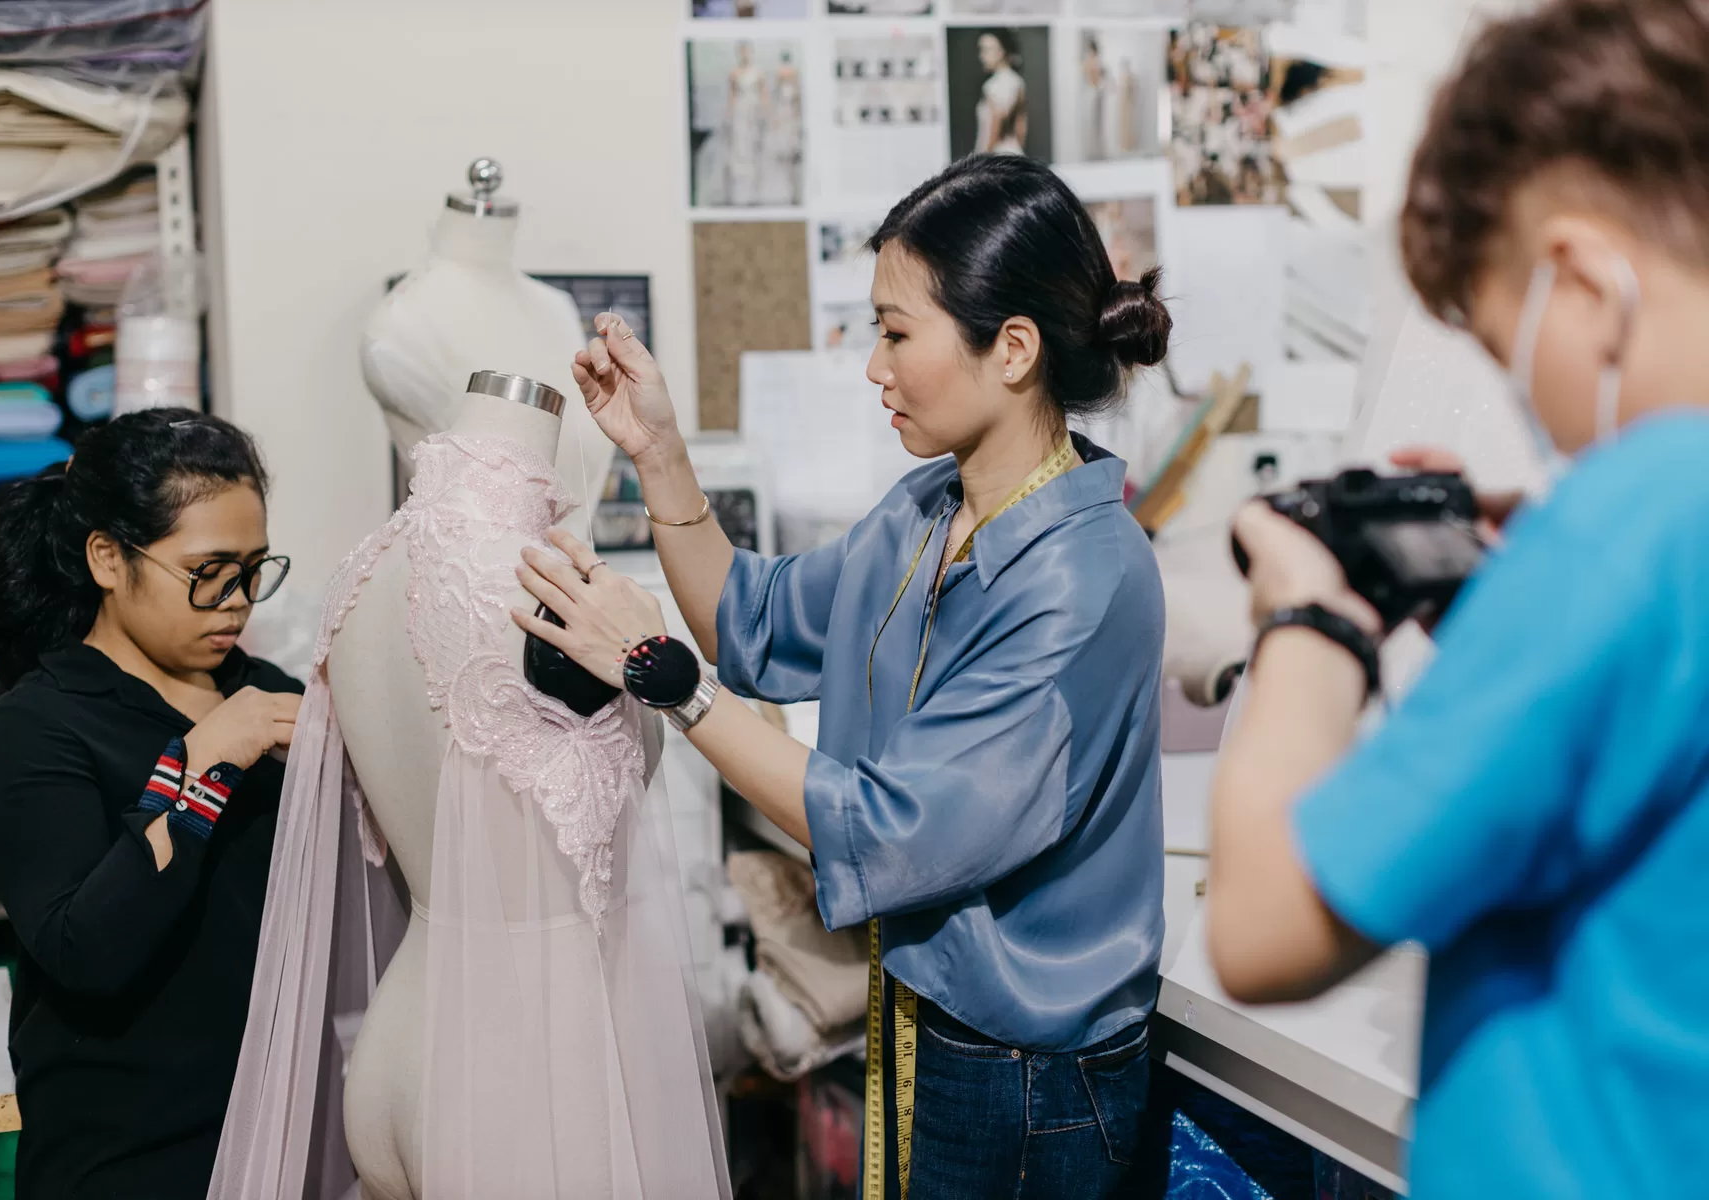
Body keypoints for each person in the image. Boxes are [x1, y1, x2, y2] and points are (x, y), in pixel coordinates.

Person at [515, 153, 1171, 1199]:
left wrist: (661, 678)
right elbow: (752, 619)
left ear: (1012, 349)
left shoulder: (1085, 580)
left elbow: (889, 828)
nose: (874, 366)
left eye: (897, 333)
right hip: (928, 1018)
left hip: (1027, 1078)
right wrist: (661, 454)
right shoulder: (925, 515)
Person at [1208, 2, 1709, 1196]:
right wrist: (1513, 606)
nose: (1517, 393)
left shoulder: (1632, 519)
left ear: (1581, 282)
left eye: (1503, 343)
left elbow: (1261, 929)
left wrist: (1311, 616)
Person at [0, 409, 302, 1198]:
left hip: (276, 1135)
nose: (238, 600)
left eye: (255, 568)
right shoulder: (36, 728)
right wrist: (206, 761)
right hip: (125, 1160)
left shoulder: (268, 695)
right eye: (209, 570)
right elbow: (89, 953)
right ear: (109, 559)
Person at [974, 30, 1028, 156]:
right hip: (1015, 154)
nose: (981, 56)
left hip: (996, 158)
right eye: (981, 50)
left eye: (987, 50)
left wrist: (983, 161)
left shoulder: (993, 86)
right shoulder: (1017, 81)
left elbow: (995, 127)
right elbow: (1021, 128)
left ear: (1001, 51)